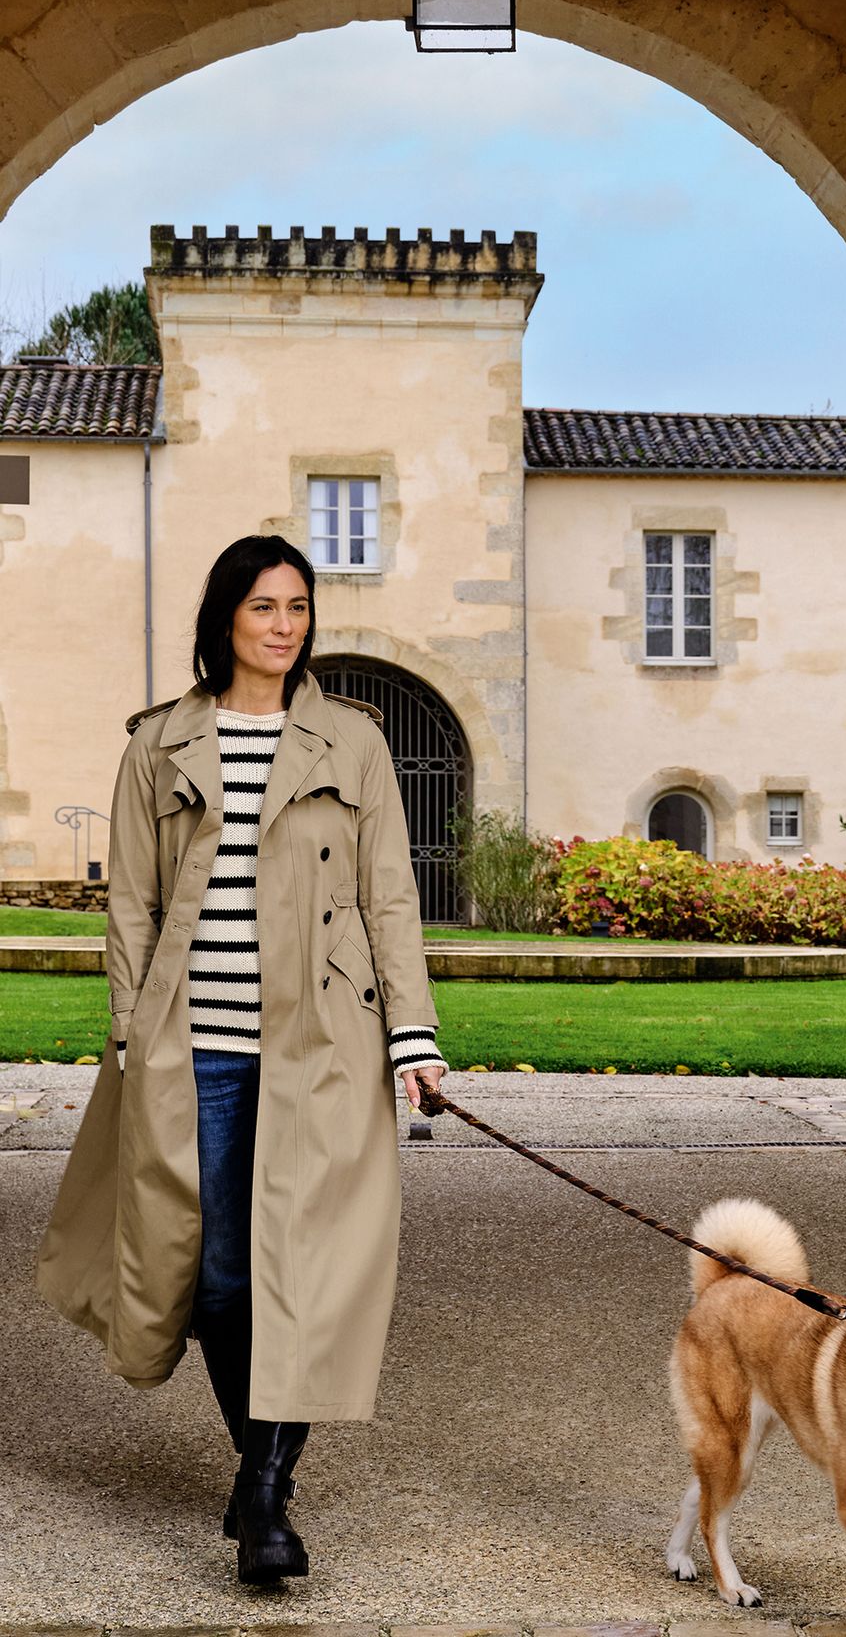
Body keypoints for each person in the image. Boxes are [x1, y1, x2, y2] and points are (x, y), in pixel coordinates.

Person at [37, 534, 448, 1585]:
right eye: (265, 607)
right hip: (191, 1046)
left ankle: (264, 1497)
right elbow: (131, 902)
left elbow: (388, 897)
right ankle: (259, 1467)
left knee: (307, 1272)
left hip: (323, 1044)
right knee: (215, 1274)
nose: (284, 625)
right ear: (225, 616)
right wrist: (133, 1030)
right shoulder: (160, 743)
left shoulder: (352, 741)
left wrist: (414, 1033)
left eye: (299, 607)